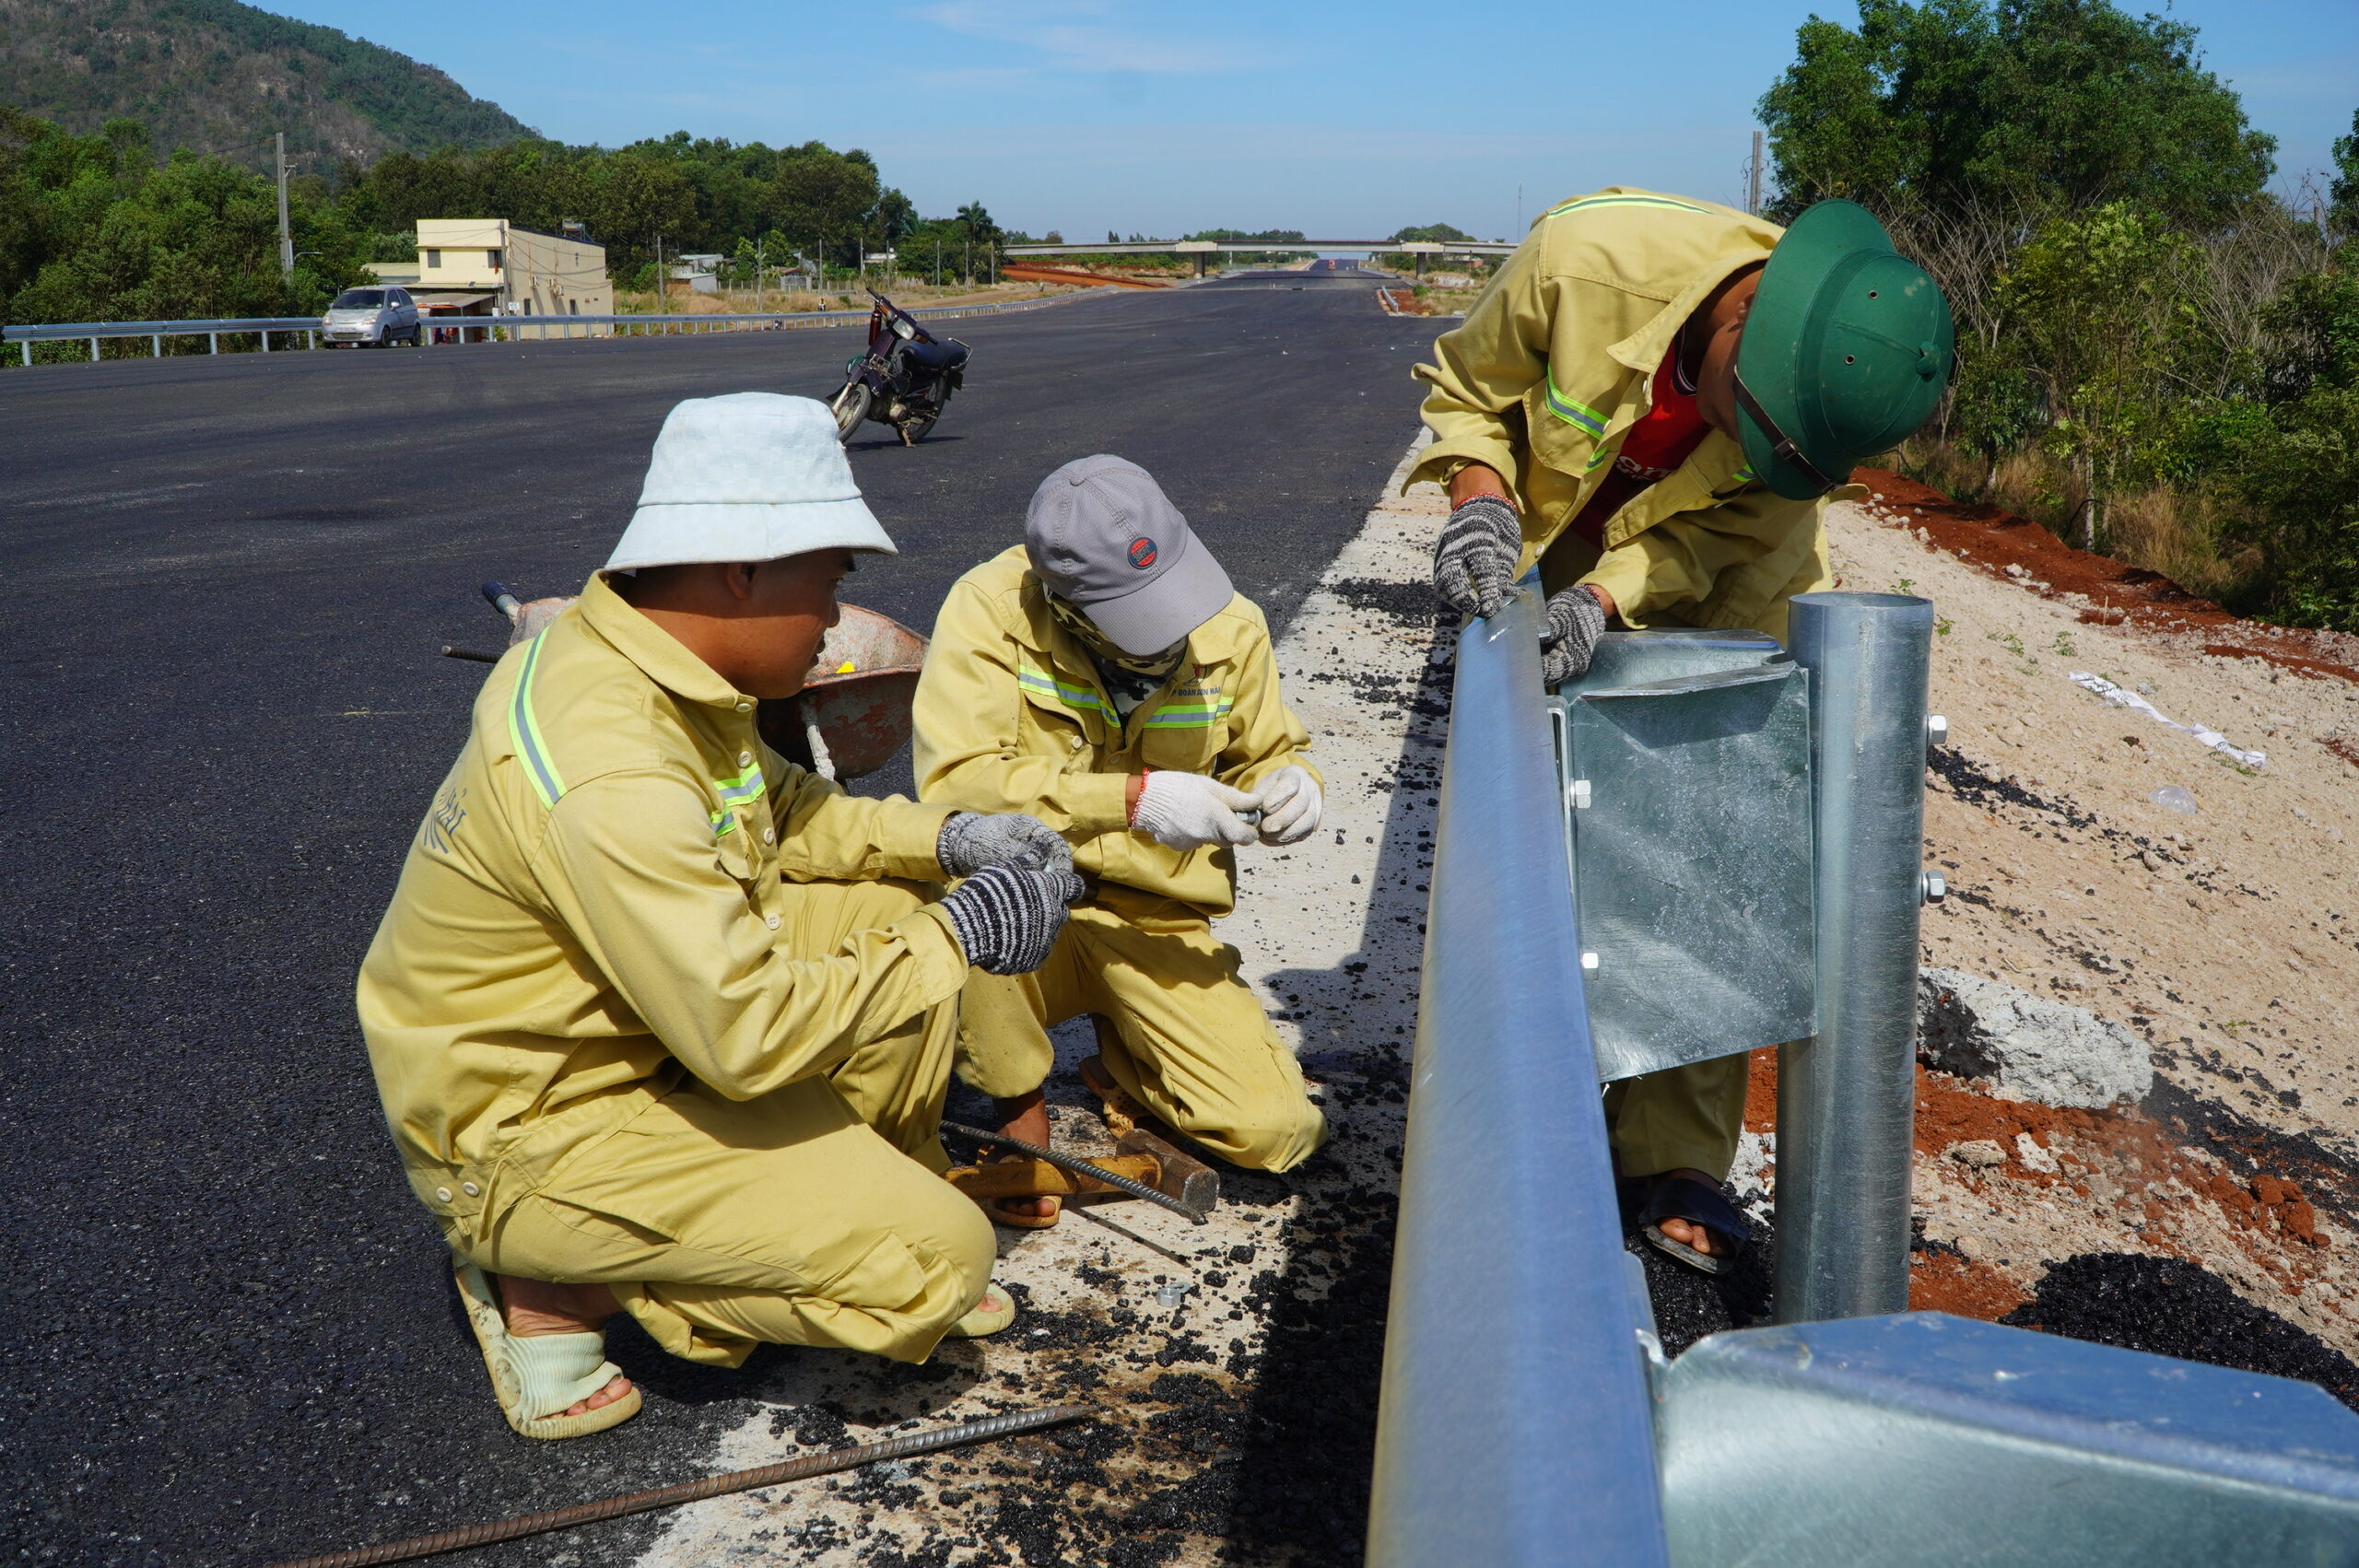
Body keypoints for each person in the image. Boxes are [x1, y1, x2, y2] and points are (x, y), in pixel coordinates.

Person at [356, 392, 1083, 1439]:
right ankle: (548, 1279)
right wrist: (962, 932)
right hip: (539, 1119)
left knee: (887, 902)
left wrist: (953, 842)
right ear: (743, 567)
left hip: (639, 1035)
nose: (835, 616)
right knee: (937, 1259)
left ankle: (836, 1201)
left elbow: (784, 814)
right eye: (830, 582)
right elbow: (746, 1035)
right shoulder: (612, 765)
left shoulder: (652, 673)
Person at [1410, 191, 1954, 1271]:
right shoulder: (1584, 260)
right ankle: (1533, 1069)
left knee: (1702, 836)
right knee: (1549, 804)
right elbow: (1470, 387)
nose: (1739, 443)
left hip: (1723, 577)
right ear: (1744, 318)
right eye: (1739, 417)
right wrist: (1478, 495)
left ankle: (1676, 1158)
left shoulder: (1786, 438)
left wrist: (1605, 603)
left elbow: (1710, 540)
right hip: (1556, 536)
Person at [913, 456, 1329, 1225]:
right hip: (1028, 902)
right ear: (1065, 602)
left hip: (1153, 915)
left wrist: (1293, 779)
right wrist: (1130, 800)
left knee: (1278, 1133)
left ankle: (1127, 1054)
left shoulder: (1231, 624)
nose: (1170, 633)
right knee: (963, 901)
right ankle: (1014, 1104)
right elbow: (953, 789)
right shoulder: (988, 610)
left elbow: (1269, 747)